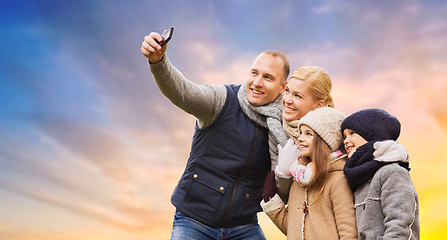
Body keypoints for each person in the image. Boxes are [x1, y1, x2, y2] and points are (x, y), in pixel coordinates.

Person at [141, 28, 290, 239]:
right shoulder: (222, 100)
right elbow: (182, 91)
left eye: (268, 77)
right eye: (254, 73)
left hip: (243, 226)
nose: (257, 82)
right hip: (194, 221)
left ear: (283, 87)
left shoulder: (285, 124)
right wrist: (159, 61)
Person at [261, 106, 358, 239]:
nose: (300, 138)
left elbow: (349, 233)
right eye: (300, 132)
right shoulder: (299, 179)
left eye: (308, 134)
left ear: (325, 141)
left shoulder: (338, 179)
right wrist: (273, 204)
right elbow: (293, 229)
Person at [341, 109, 420, 239]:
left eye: (352, 133)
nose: (346, 140)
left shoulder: (393, 172)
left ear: (372, 134)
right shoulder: (360, 177)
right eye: (344, 136)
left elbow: (400, 224)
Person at [272, 66, 336, 202]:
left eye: (297, 96)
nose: (287, 100)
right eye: (287, 91)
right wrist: (282, 173)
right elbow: (282, 197)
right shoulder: (276, 129)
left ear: (319, 105)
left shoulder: (334, 133)